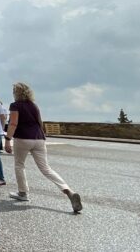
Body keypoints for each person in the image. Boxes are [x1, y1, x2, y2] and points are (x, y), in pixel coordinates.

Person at [5, 82, 82, 213]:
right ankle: (68, 191)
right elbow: (40, 122)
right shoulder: (34, 106)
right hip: (39, 138)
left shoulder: (15, 105)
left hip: (23, 138)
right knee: (46, 168)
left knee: (19, 165)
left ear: (16, 93)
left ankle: (23, 193)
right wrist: (41, 136)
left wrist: (7, 140)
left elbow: (13, 123)